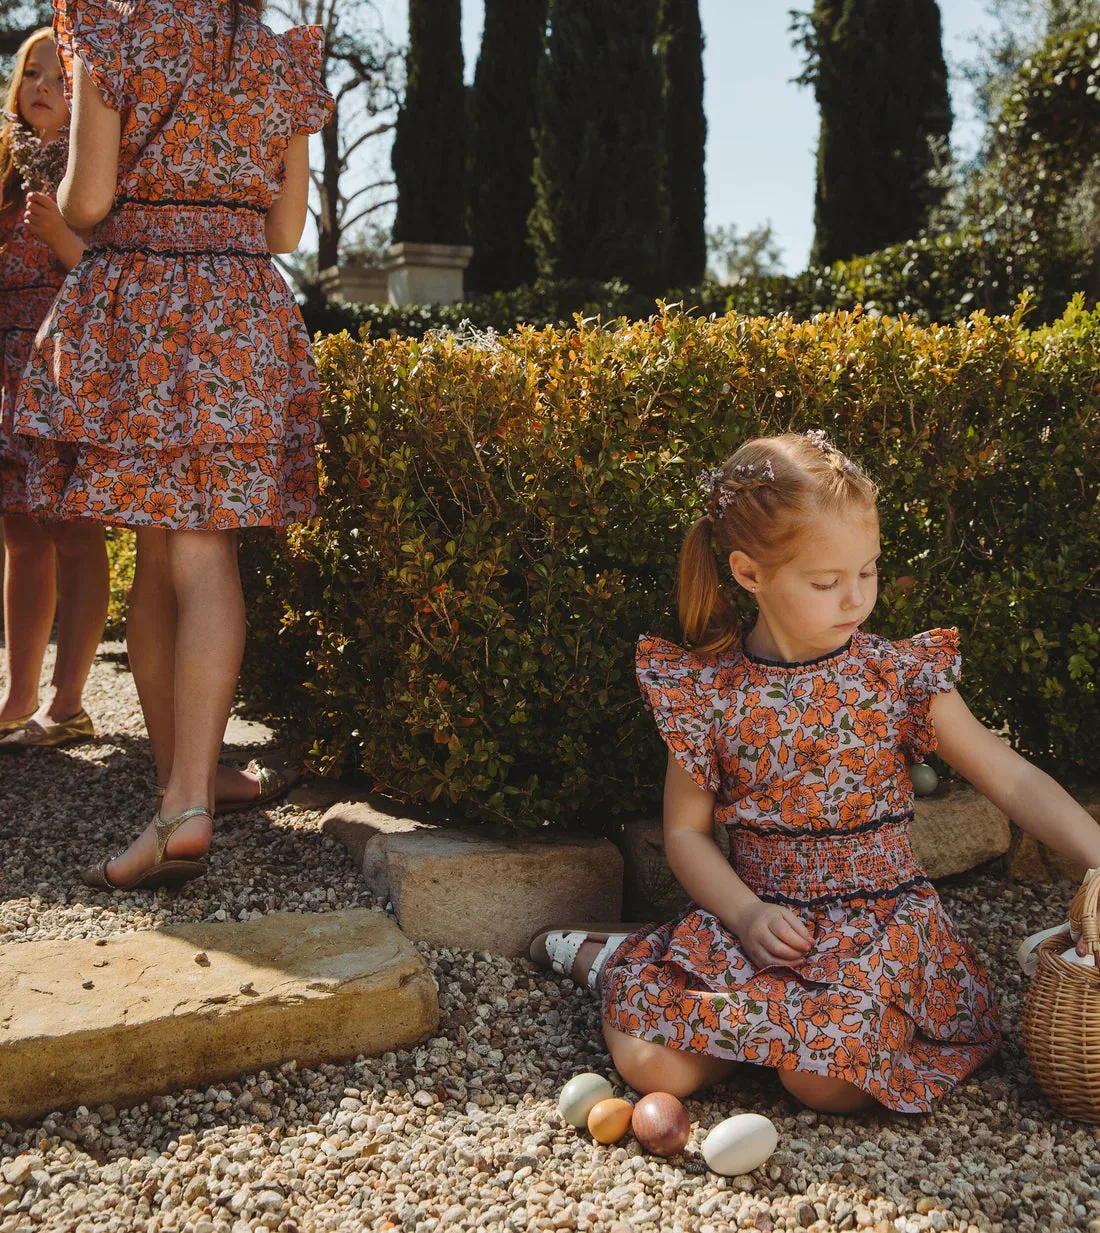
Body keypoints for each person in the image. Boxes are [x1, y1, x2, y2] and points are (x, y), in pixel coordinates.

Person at [531, 431, 1100, 1114]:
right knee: (657, 1069)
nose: (855, 598)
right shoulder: (711, 691)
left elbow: (1011, 778)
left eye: (869, 570)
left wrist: (1098, 857)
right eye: (827, 582)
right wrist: (744, 913)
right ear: (750, 574)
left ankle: (768, 1037)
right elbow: (685, 833)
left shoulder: (897, 677)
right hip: (763, 921)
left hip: (879, 929)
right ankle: (615, 959)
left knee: (823, 1080)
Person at [14, 0, 334, 888]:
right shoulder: (285, 58)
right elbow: (283, 233)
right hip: (242, 311)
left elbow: (88, 201)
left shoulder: (117, 35)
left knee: (169, 555)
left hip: (144, 313)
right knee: (193, 556)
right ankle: (185, 781)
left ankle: (184, 799)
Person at [0, 28, 108, 752]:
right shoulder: (7, 174)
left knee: (73, 530)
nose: (40, 84)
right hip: (9, 378)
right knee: (19, 533)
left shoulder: (91, 170)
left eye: (57, 75)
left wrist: (62, 239)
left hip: (69, 371)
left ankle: (70, 701)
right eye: (29, 73)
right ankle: (19, 692)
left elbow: (115, 278)